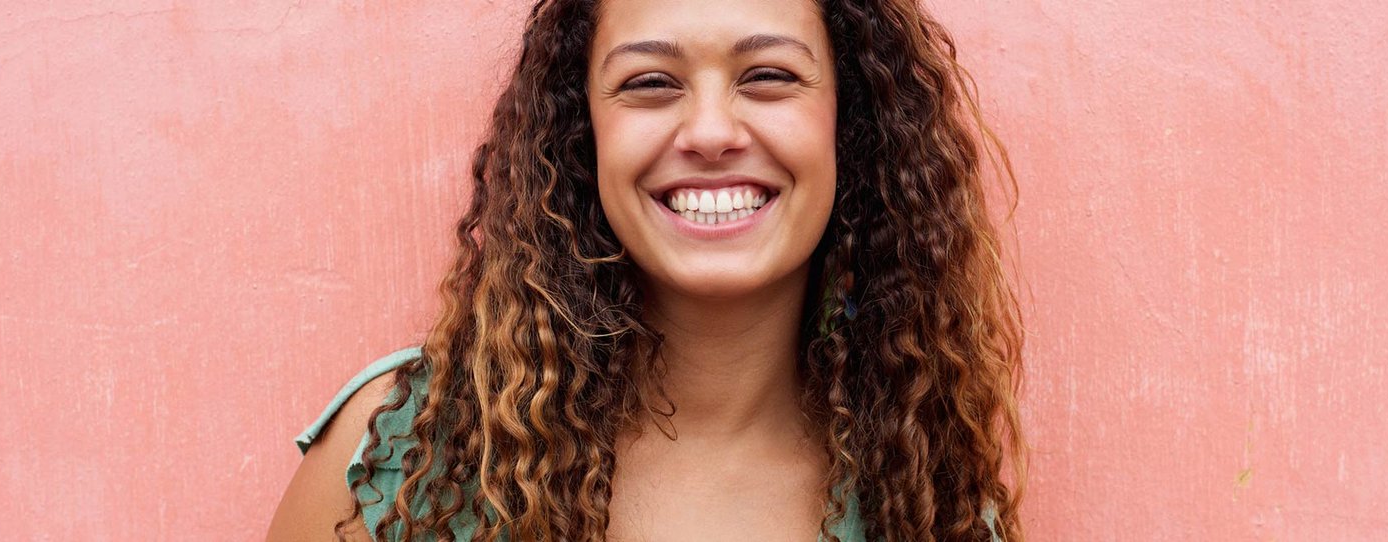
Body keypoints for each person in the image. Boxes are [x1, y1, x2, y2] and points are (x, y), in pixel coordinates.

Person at [268, 0, 1027, 540]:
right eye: (651, 83)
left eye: (768, 75)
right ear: (582, 135)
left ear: (850, 126)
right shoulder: (401, 460)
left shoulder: (929, 505)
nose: (711, 132)